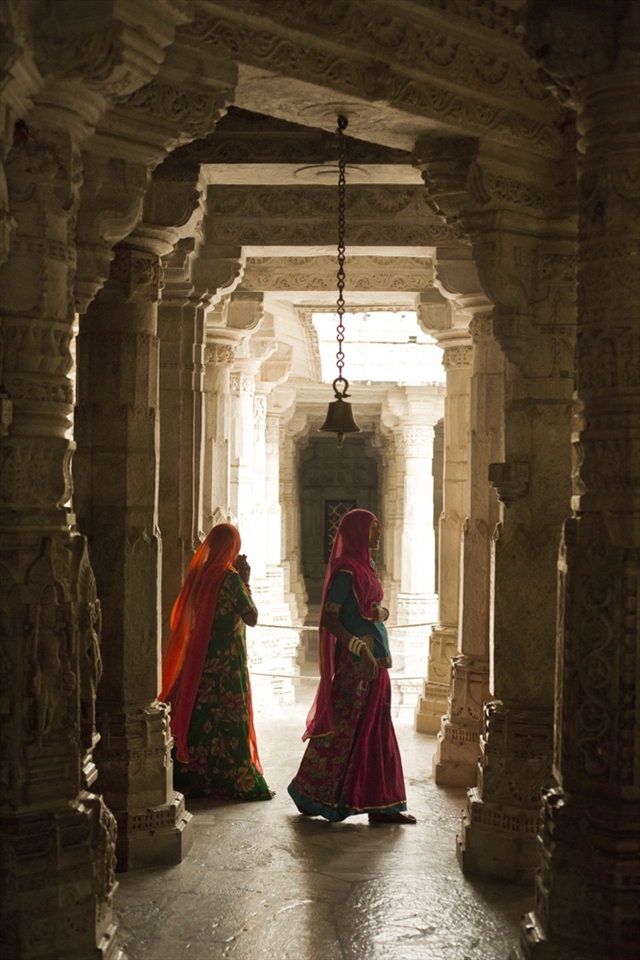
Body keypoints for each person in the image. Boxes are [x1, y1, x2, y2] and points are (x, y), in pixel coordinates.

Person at [288, 508, 416, 824]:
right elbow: (331, 617)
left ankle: (382, 804)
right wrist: (359, 647)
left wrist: (378, 614)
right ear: (359, 531)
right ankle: (312, 793)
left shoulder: (365, 566)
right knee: (344, 728)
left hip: (377, 660)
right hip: (358, 664)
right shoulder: (346, 572)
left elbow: (364, 608)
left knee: (377, 730)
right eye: (373, 527)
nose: (379, 533)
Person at [160, 522, 272, 802]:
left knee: (202, 715)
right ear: (232, 547)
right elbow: (251, 617)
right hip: (228, 660)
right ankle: (239, 781)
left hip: (202, 659)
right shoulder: (229, 578)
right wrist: (246, 579)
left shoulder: (201, 574)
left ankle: (195, 778)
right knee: (232, 718)